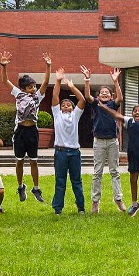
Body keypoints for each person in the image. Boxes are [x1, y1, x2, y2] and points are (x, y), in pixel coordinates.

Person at [0, 50, 51, 203]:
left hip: (32, 131)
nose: (33, 88)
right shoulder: (18, 94)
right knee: (20, 160)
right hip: (20, 131)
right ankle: (21, 186)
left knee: (34, 160)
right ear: (23, 88)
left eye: (34, 86)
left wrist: (48, 66)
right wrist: (3, 66)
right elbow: (5, 81)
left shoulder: (38, 96)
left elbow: (46, 83)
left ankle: (36, 188)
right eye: (30, 87)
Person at [82, 65, 124, 213]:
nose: (104, 94)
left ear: (110, 96)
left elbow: (120, 97)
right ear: (98, 96)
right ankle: (95, 201)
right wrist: (87, 80)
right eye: (102, 93)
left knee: (115, 171)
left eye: (107, 93)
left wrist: (116, 81)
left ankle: (118, 198)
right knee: (97, 172)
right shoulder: (96, 104)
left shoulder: (113, 104)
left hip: (112, 141)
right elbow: (87, 96)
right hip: (98, 141)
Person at [50, 69, 87, 215]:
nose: (65, 106)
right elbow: (54, 96)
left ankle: (81, 207)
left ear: (72, 108)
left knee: (76, 181)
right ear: (59, 108)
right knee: (60, 182)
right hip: (60, 152)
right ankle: (58, 208)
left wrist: (71, 87)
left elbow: (82, 100)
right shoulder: (57, 115)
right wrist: (58, 80)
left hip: (74, 153)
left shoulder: (75, 115)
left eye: (68, 105)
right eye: (63, 104)